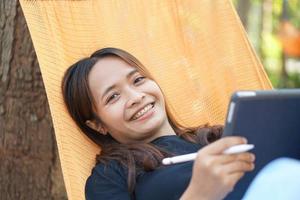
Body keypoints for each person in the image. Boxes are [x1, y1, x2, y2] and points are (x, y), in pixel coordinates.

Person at [61, 47, 256, 200]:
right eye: (113, 97)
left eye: (138, 80)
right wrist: (199, 195)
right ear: (97, 125)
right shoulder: (110, 176)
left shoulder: (219, 137)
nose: (136, 97)